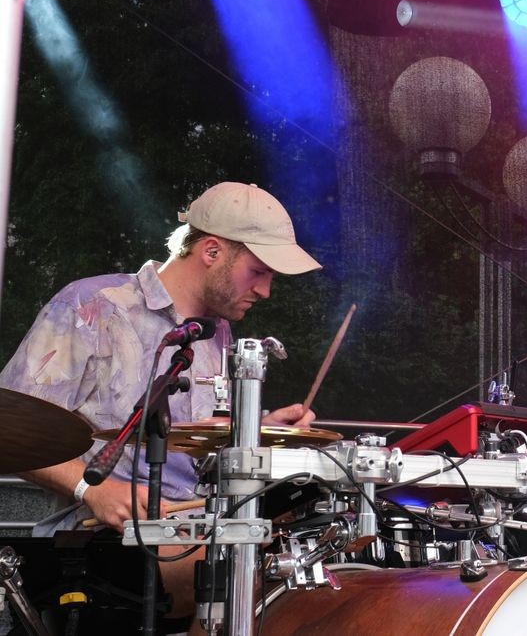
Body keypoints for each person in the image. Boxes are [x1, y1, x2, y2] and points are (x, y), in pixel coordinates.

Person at [0, 181, 321, 627]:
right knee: (240, 568)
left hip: (190, 528)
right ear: (212, 251)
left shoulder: (215, 333)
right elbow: (9, 429)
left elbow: (191, 443)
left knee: (304, 556)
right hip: (100, 543)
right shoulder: (92, 306)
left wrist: (260, 430)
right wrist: (92, 489)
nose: (266, 290)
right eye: (259, 271)